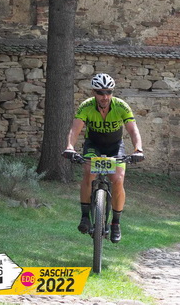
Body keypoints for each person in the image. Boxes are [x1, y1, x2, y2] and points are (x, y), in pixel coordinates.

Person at [63, 73, 144, 244]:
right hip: (94, 146)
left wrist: (138, 149)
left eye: (108, 92)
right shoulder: (86, 106)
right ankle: (85, 216)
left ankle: (116, 223)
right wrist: (70, 147)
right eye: (100, 92)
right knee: (88, 172)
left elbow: (133, 130)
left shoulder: (121, 106)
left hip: (115, 147)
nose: (105, 96)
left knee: (118, 179)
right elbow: (75, 129)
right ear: (93, 92)